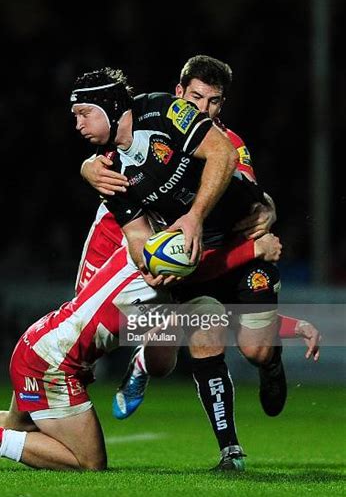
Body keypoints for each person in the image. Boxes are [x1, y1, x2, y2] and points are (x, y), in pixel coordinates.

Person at [69, 65, 298, 470]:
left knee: (256, 350)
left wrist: (254, 213)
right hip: (194, 256)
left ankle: (271, 363)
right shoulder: (117, 161)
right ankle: (230, 451)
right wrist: (150, 261)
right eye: (196, 99)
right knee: (175, 352)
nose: (204, 109)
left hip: (238, 252)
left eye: (213, 101)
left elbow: (246, 189)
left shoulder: (217, 138)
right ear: (180, 93)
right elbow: (137, 233)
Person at [0, 235, 282, 471]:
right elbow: (194, 294)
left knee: (22, 424)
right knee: (88, 461)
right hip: (53, 366)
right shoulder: (144, 305)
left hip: (37, 344)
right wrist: (252, 250)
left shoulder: (129, 256)